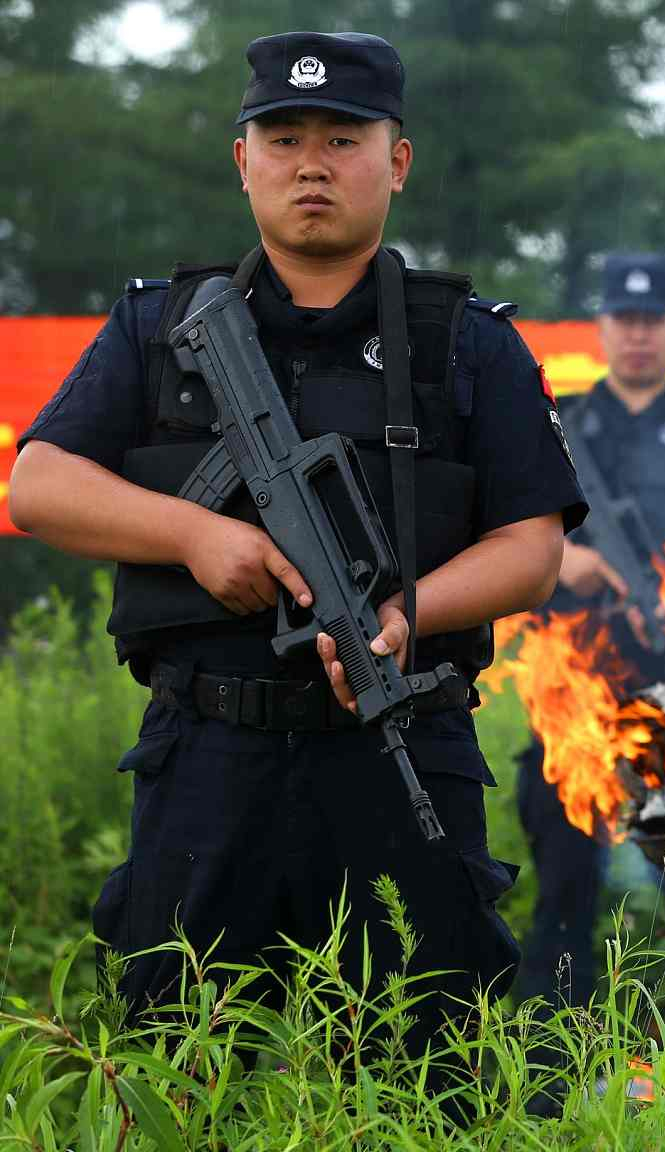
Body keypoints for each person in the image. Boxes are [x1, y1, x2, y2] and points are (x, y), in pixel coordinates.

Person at [8, 31, 586, 1051]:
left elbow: (531, 546)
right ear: (243, 161)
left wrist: (410, 617)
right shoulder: (159, 327)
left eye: (342, 138)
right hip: (207, 760)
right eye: (281, 138)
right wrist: (192, 535)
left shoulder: (465, 343)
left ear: (396, 162)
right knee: (181, 1060)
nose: (311, 163)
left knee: (426, 1068)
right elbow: (38, 483)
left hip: (400, 752)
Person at [513, 250, 665, 1007]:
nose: (639, 336)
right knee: (564, 889)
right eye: (625, 319)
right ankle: (554, 1065)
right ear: (602, 327)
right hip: (574, 691)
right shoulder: (557, 426)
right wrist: (569, 564)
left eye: (654, 321)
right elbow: (509, 535)